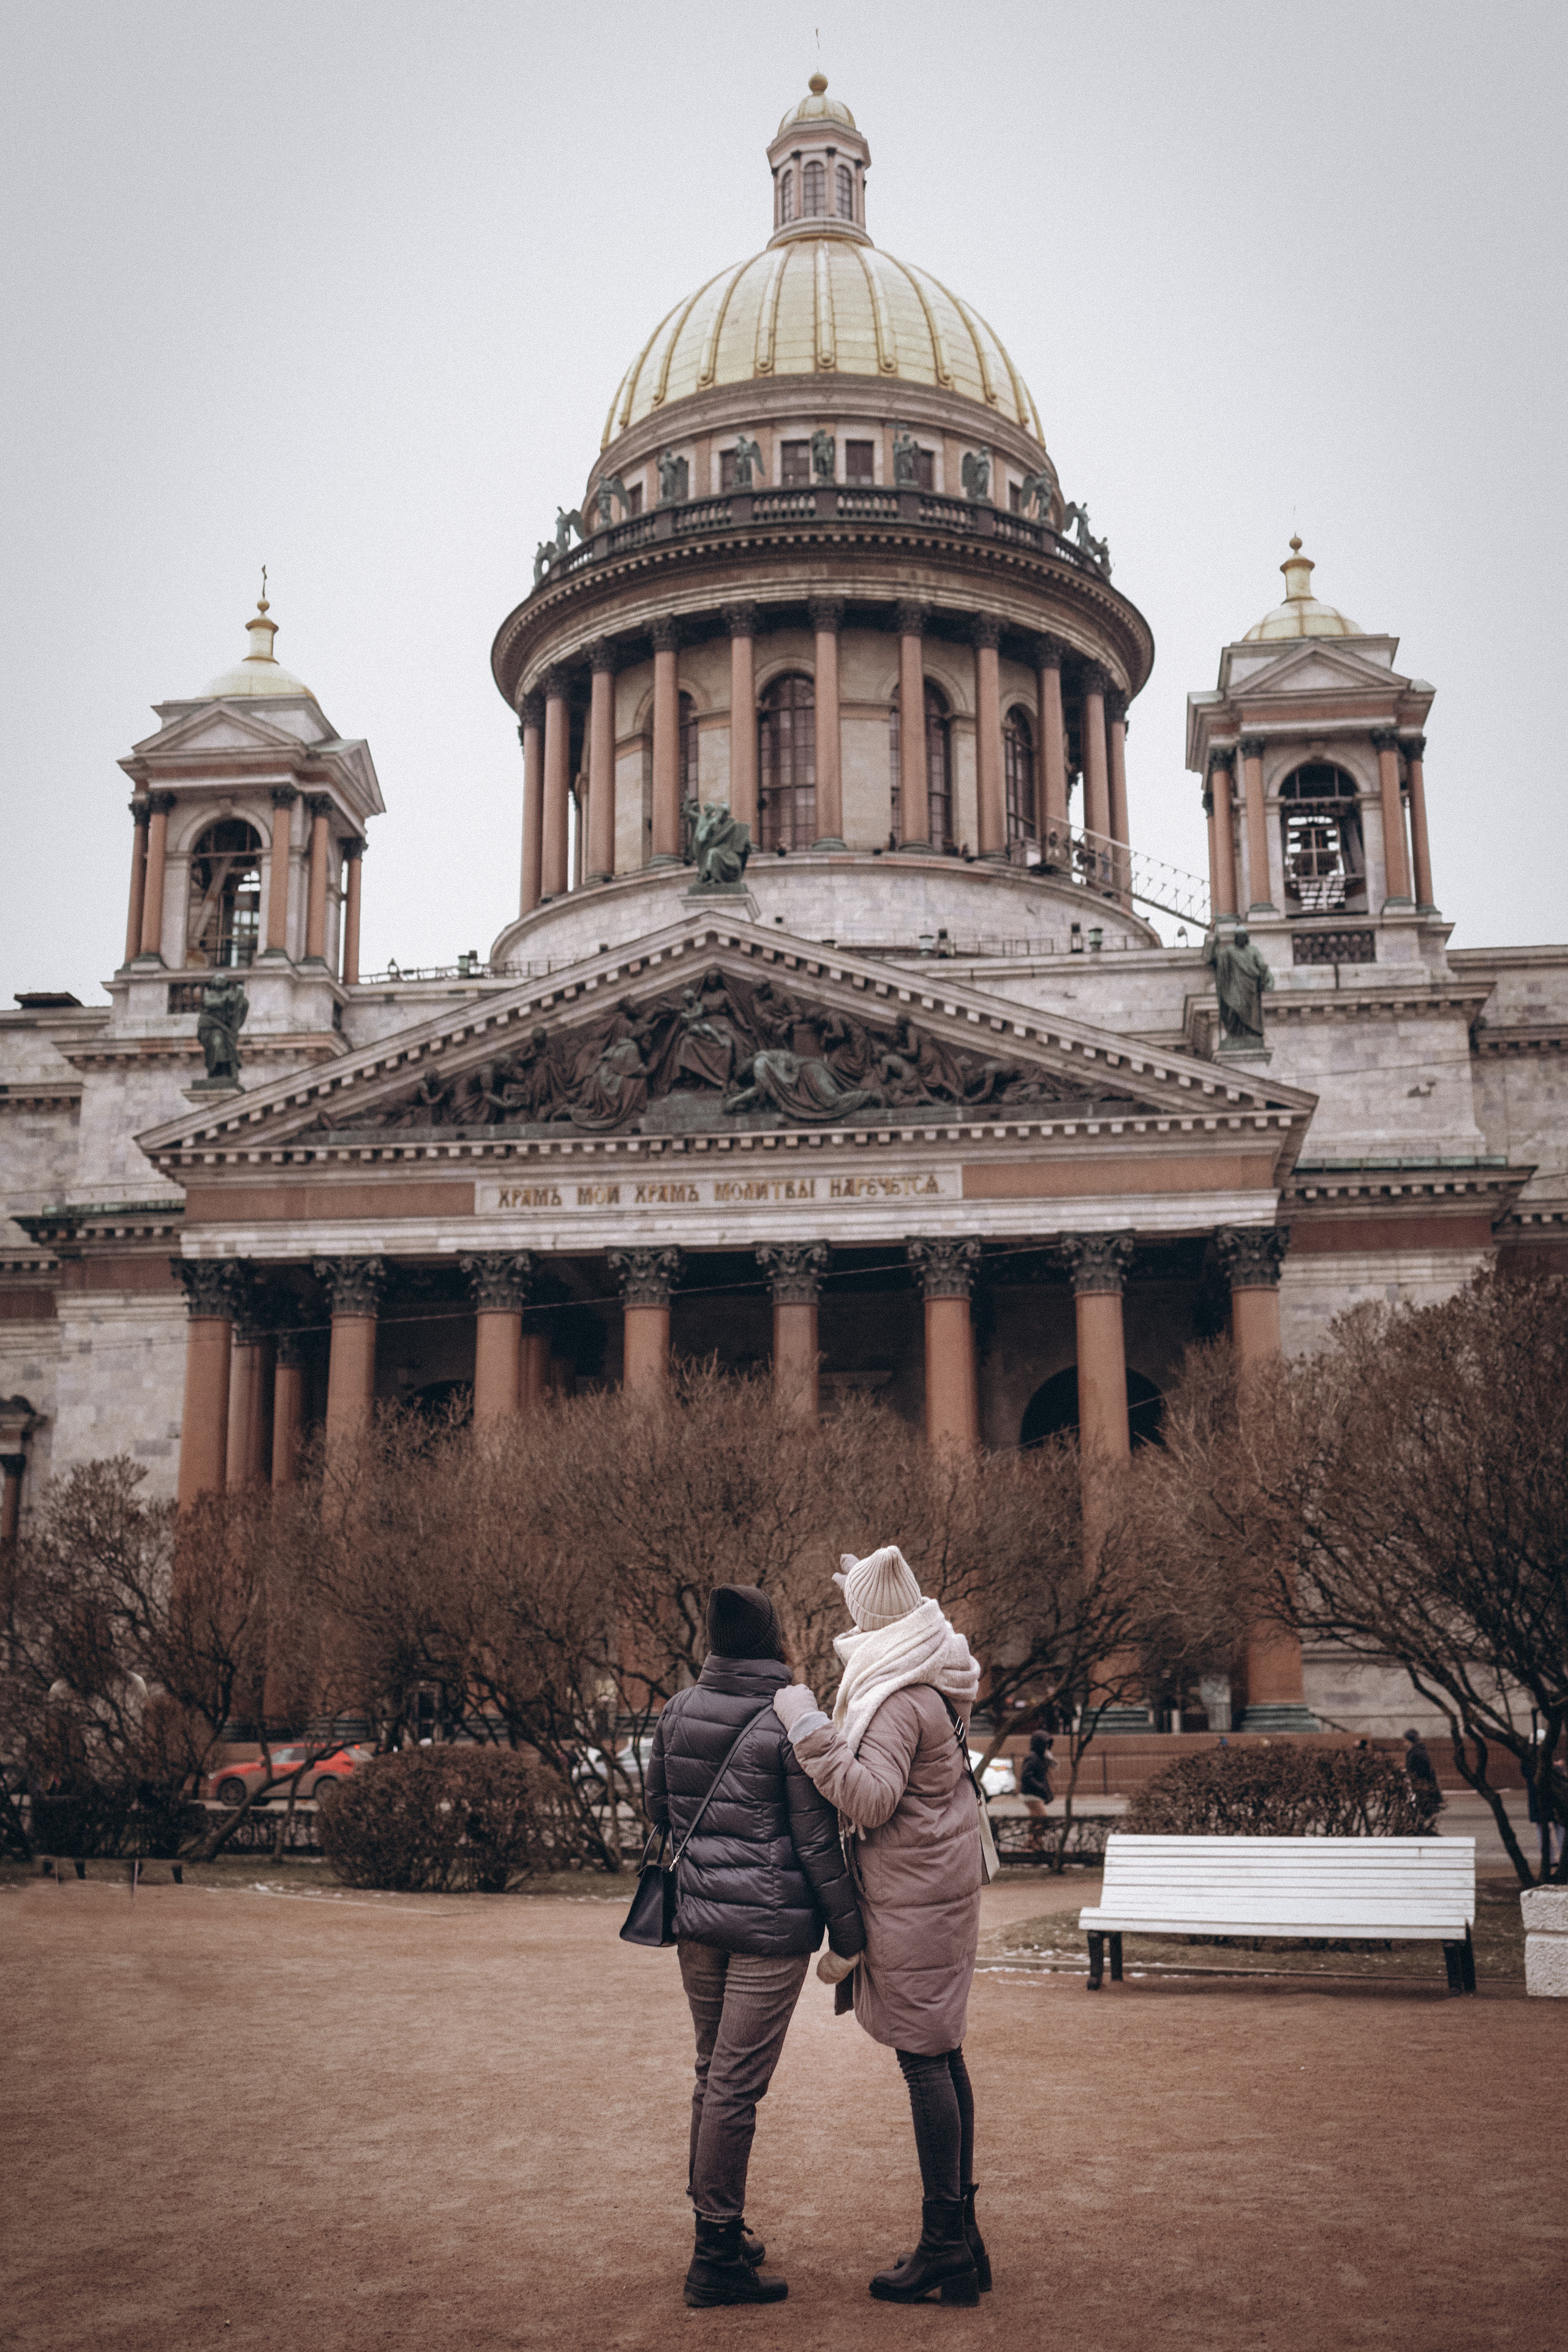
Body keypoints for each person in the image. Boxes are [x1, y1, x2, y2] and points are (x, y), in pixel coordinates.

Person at [773, 1544, 988, 2308]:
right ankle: (962, 2239)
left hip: (912, 1897)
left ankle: (944, 2248)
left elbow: (867, 1799)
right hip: (934, 1890)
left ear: (871, 1619)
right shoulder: (933, 1676)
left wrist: (805, 1725)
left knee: (925, 2061)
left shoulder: (898, 1698)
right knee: (942, 2053)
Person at [646, 1584, 864, 2310]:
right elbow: (815, 1842)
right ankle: (714, 2256)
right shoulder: (788, 1720)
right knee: (737, 2084)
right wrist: (849, 1929)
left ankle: (719, 2228)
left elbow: (660, 1812)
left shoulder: (677, 1709)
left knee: (714, 2073)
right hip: (769, 1931)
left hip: (698, 1920)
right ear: (775, 1640)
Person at [1019, 1730, 1055, 1852]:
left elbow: (1046, 1774)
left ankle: (1033, 1842)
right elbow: (1025, 1776)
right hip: (1031, 1795)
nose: (1047, 1747)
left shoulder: (1040, 1757)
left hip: (1033, 1794)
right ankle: (1035, 1841)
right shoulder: (1033, 1758)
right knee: (1044, 1819)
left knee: (1035, 1820)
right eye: (1045, 1744)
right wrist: (1041, 1787)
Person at [1402, 1727, 1444, 1829]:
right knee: (1418, 1810)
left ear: (1409, 1740)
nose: (1404, 1743)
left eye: (1405, 1740)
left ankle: (1418, 1828)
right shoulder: (1416, 1751)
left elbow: (1421, 1770)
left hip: (1421, 1786)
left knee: (1420, 1809)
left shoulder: (1416, 1753)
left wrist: (1414, 1778)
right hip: (1420, 1785)